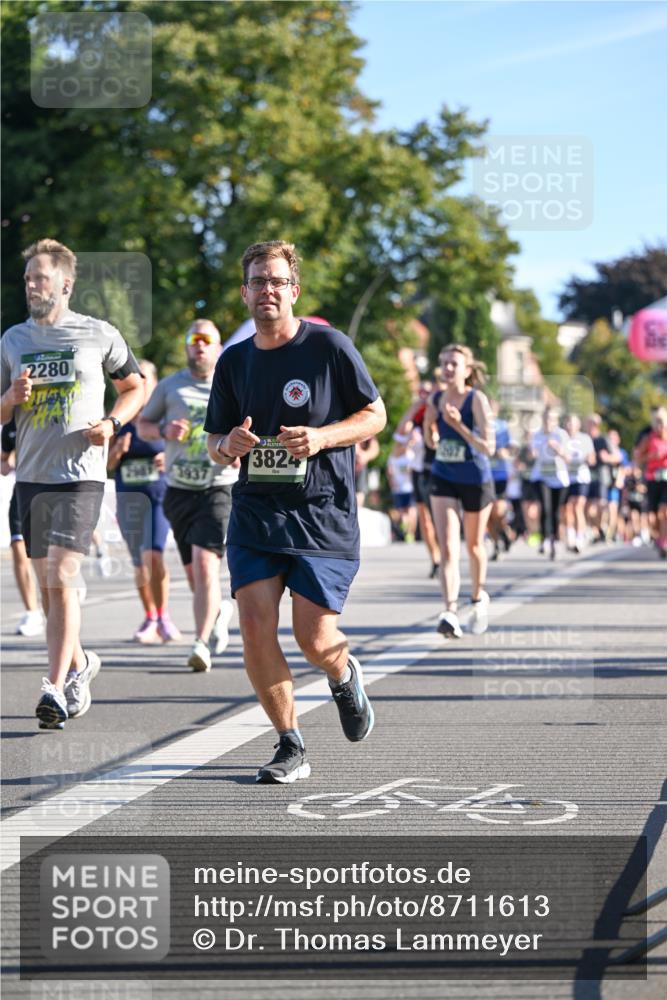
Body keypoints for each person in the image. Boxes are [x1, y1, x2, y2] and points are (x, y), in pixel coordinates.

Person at [204, 240, 386, 784]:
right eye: (257, 281)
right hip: (256, 513)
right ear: (245, 292)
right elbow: (214, 438)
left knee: (314, 639)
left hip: (322, 513)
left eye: (277, 281)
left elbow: (375, 415)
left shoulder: (329, 346)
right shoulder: (234, 361)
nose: (267, 290)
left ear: (294, 291)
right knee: (256, 625)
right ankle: (290, 744)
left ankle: (342, 672)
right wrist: (228, 445)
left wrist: (324, 436)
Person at [0, 238, 144, 729]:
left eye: (39, 277)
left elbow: (135, 385)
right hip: (31, 477)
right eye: (26, 279)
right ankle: (81, 664)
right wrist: (9, 398)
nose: (31, 286)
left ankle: (55, 688)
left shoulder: (97, 334)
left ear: (65, 282)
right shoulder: (13, 340)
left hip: (81, 476)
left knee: (61, 578)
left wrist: (113, 424)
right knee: (48, 587)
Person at [138, 320, 237, 671]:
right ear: (186, 346)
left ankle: (200, 644)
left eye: (206, 340)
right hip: (179, 489)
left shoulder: (231, 384)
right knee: (196, 575)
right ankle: (220, 611)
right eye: (193, 339)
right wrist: (164, 430)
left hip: (219, 484)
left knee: (206, 564)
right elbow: (143, 424)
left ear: (218, 347)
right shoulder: (170, 386)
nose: (199, 346)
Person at [423, 343, 496, 639]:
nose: (448, 368)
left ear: (467, 370)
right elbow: (430, 440)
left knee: (474, 546)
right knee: (449, 546)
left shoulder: (476, 400)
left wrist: (459, 426)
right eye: (444, 363)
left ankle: (478, 598)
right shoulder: (435, 398)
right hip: (444, 475)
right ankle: (450, 612)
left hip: (476, 479)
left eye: (454, 363)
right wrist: (432, 430)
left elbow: (488, 447)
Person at [107, 359, 181, 643]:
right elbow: (109, 465)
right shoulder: (120, 418)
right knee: (139, 562)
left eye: (145, 379)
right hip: (128, 498)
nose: (139, 383)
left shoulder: (163, 418)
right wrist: (118, 451)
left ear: (155, 384)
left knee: (155, 555)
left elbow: (187, 450)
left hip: (159, 496)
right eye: (135, 379)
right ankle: (150, 616)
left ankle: (163, 616)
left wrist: (168, 458)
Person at [1, 417, 43, 636]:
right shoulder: (9, 424)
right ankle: (31, 612)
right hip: (23, 492)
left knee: (49, 555)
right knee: (18, 547)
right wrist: (6, 462)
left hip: (55, 489)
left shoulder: (49, 411)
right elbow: (3, 461)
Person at [530, 408, 570, 560]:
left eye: (551, 419)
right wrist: (532, 452)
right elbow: (532, 454)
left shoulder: (561, 434)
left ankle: (555, 540)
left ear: (555, 420)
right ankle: (544, 539)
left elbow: (567, 457)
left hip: (559, 478)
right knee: (544, 508)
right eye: (546, 419)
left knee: (555, 511)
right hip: (541, 476)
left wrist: (557, 448)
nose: (548, 422)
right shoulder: (538, 435)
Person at [635, 406, 667, 558]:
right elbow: (638, 458)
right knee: (652, 516)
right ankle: (659, 538)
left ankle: (664, 541)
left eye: (663, 422)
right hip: (652, 479)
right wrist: (652, 456)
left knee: (663, 511)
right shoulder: (648, 438)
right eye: (658, 422)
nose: (661, 426)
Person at [563, 413, 595, 553]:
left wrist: (587, 458)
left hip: (581, 477)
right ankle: (570, 535)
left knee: (578, 507)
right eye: (568, 423)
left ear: (578, 425)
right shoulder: (562, 438)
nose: (570, 426)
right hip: (565, 478)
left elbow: (592, 459)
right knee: (567, 508)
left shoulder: (585, 439)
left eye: (573, 423)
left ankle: (580, 537)